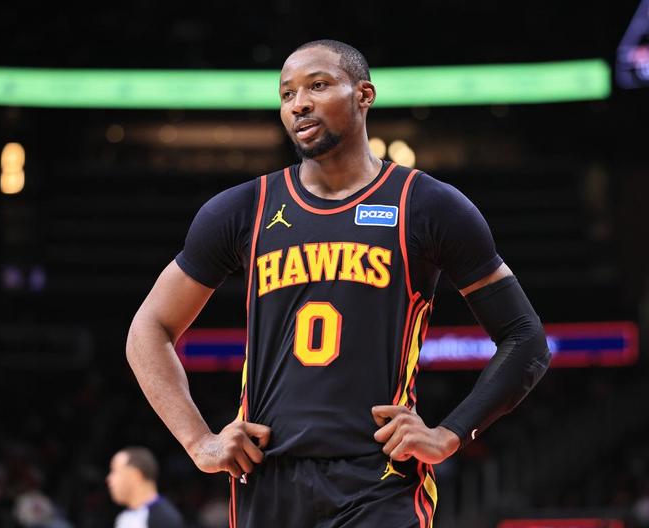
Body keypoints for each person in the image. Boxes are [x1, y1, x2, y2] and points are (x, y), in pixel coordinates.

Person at [126, 39, 551, 527]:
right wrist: (199, 442)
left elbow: (526, 338)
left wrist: (449, 434)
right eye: (287, 94)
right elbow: (148, 329)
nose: (299, 103)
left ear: (364, 95)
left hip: (381, 480)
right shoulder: (244, 209)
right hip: (268, 478)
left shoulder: (427, 205)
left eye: (318, 85)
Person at [106, 447, 184, 528]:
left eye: (114, 471)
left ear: (135, 475)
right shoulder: (124, 517)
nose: (109, 479)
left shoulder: (164, 519)